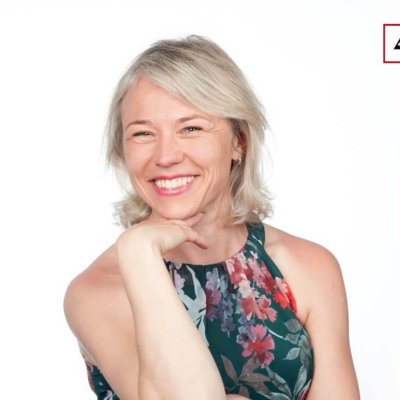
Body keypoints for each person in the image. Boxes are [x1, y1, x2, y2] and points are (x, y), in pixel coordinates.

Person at [64, 35, 360, 400]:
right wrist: (139, 254)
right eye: (143, 133)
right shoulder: (96, 292)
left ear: (239, 141)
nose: (166, 156)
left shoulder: (308, 266)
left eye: (191, 128)